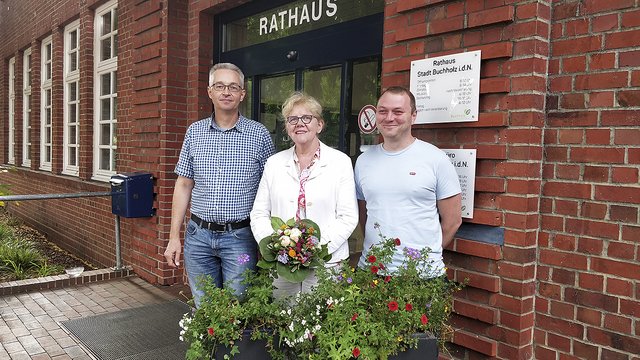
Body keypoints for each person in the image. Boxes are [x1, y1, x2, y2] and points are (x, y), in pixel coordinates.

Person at [164, 63, 275, 307]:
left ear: (242, 94)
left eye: (233, 87)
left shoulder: (259, 135)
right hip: (198, 237)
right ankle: (208, 347)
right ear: (209, 91)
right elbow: (183, 184)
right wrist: (174, 237)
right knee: (204, 308)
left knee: (237, 309)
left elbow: (271, 189)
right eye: (220, 86)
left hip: (240, 237)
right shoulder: (194, 133)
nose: (226, 92)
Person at [250, 92, 358, 299]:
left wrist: (313, 250)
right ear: (287, 127)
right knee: (284, 322)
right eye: (292, 119)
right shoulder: (274, 164)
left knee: (324, 324)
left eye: (306, 118)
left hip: (327, 262)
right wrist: (275, 247)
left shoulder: (340, 162)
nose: (299, 123)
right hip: (283, 264)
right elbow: (259, 213)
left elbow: (348, 217)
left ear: (319, 124)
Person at [355, 86, 462, 276]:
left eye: (398, 112)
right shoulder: (363, 161)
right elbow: (364, 215)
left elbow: (453, 221)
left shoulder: (436, 159)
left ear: (413, 116)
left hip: (421, 275)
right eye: (383, 111)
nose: (389, 118)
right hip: (372, 271)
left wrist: (427, 257)